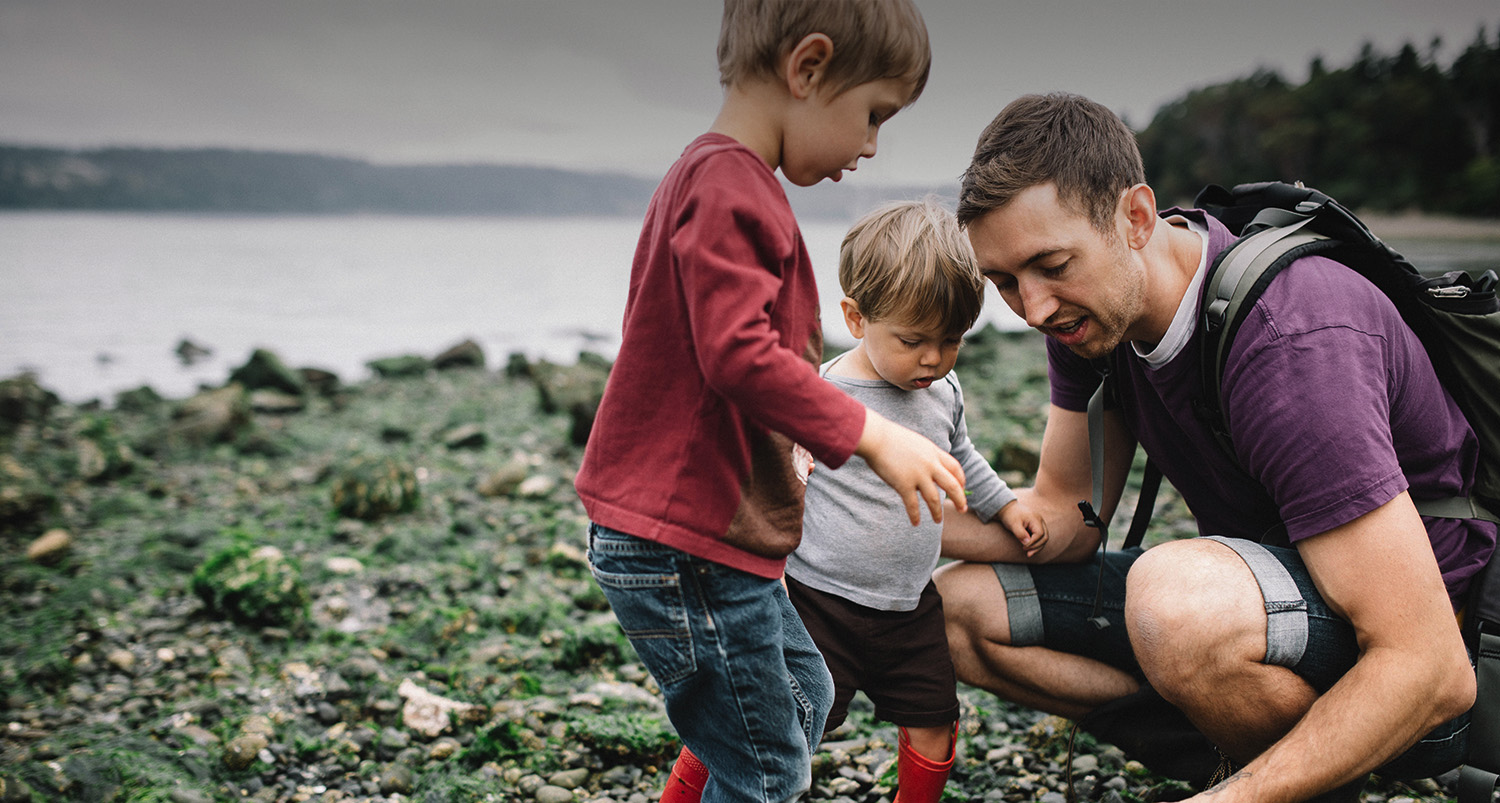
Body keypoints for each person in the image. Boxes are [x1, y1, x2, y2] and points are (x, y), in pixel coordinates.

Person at [933, 92, 1497, 803]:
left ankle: (1281, 784)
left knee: (1175, 602)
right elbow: (1063, 518)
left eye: (1052, 264)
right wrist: (869, 523)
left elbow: (1433, 666)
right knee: (956, 608)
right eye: (1006, 282)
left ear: (1135, 217)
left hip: (1418, 653)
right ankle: (1244, 754)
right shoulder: (1089, 321)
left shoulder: (1291, 336)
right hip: (1263, 609)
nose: (1035, 307)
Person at [573, 3, 969, 802]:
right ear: (808, 68)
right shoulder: (729, 187)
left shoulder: (716, 179)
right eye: (872, 115)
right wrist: (868, 435)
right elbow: (734, 352)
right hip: (682, 544)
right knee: (768, 767)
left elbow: (695, 358)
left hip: (711, 542)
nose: (870, 145)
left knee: (805, 696)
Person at [784, 198, 1048, 803]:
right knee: (786, 727)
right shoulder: (822, 395)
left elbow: (963, 455)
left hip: (908, 604)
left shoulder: (943, 389)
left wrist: (1004, 505)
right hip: (819, 603)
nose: (932, 358)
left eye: (951, 340)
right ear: (855, 317)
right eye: (913, 340)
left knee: (934, 724)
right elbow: (777, 486)